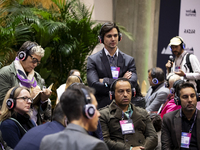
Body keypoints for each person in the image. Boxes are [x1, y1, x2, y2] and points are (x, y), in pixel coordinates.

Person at [40, 84, 109, 150]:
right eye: (95, 108)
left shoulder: (47, 141)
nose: (99, 114)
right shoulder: (96, 146)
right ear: (87, 111)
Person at [87, 22, 137, 109]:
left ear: (120, 37)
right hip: (102, 107)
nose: (113, 39)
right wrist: (123, 80)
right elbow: (94, 85)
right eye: (109, 36)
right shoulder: (93, 60)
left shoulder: (129, 60)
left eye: (115, 35)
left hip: (124, 107)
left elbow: (132, 83)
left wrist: (105, 80)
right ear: (101, 39)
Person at [0, 41, 52, 125]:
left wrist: (44, 99)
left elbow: (41, 111)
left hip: (33, 124)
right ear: (22, 56)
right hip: (13, 124)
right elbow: (3, 103)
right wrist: (29, 97)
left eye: (37, 62)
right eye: (34, 60)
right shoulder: (5, 73)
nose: (35, 64)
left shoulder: (37, 77)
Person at [99, 78, 157, 150]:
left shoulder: (142, 112)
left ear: (133, 92)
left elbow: (153, 137)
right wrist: (130, 149)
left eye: (128, 91)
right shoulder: (103, 114)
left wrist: (142, 148)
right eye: (121, 91)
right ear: (112, 94)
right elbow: (105, 141)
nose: (125, 94)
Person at [161, 82, 200, 149]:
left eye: (192, 96)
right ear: (178, 100)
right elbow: (166, 146)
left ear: (197, 98)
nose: (190, 100)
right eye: (185, 97)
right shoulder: (169, 119)